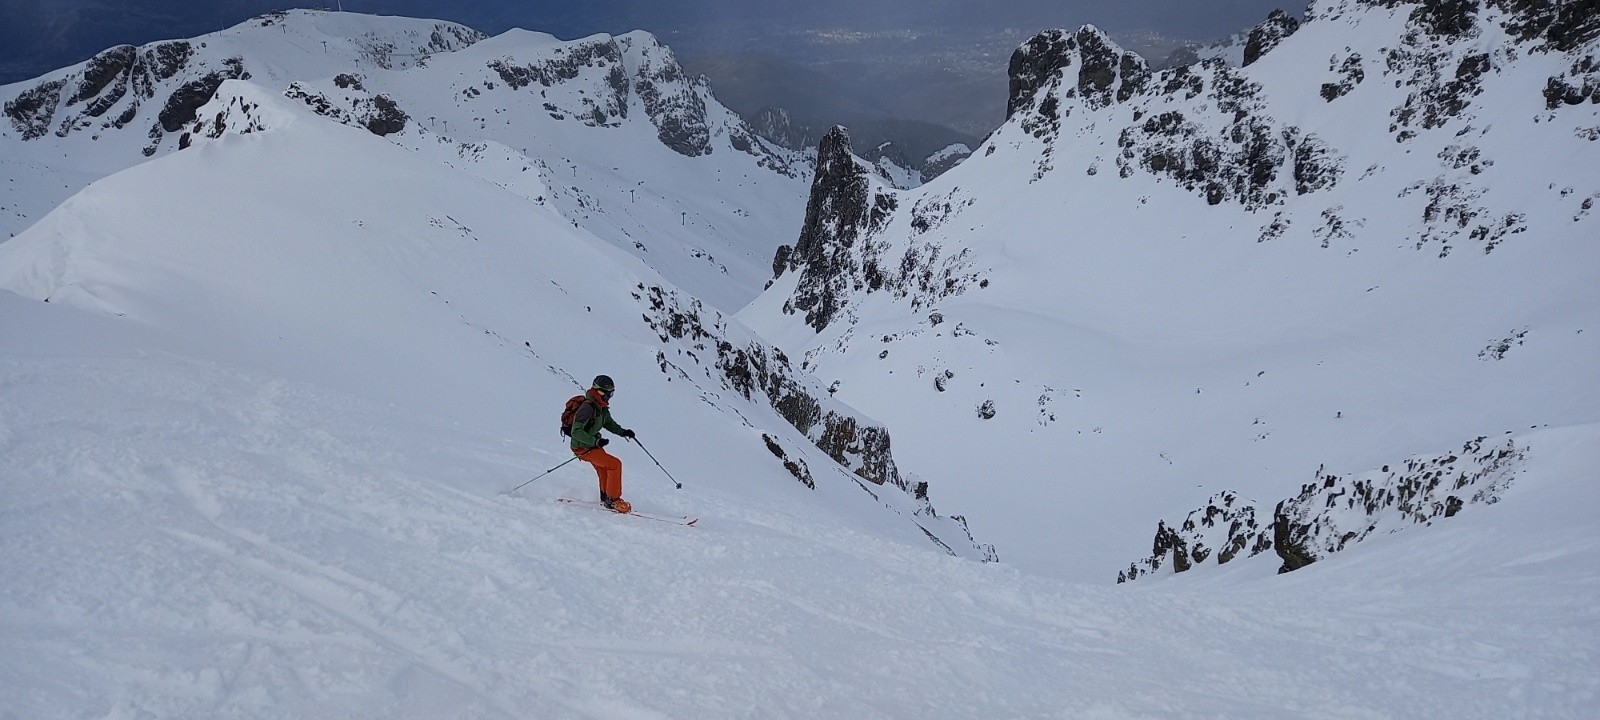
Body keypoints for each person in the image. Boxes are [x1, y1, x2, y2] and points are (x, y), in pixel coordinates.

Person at [569, 374, 636, 513]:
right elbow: (576, 431)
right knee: (615, 464)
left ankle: (606, 498)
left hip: (592, 445)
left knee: (604, 468)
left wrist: (623, 432)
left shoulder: (601, 407)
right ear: (600, 392)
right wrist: (595, 441)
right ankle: (613, 500)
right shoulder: (588, 408)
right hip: (582, 447)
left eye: (612, 393)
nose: (610, 397)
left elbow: (609, 423)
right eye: (609, 393)